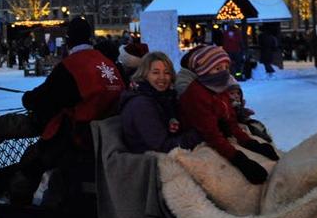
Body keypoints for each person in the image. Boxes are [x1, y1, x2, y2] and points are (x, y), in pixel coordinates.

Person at [0, 17, 124, 204]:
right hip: (104, 131)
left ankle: (18, 202)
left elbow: (43, 99)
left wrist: (28, 98)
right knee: (44, 122)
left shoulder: (71, 66)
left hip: (78, 136)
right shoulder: (107, 63)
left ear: (69, 39)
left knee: (32, 159)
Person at [178, 45, 278, 184]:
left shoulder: (219, 87)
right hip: (196, 141)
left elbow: (230, 119)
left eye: (226, 68)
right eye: (218, 68)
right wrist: (240, 160)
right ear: (204, 71)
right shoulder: (197, 94)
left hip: (219, 134)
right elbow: (211, 134)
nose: (224, 73)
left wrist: (251, 143)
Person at [119, 52, 202, 153]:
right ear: (144, 74)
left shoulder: (166, 98)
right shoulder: (141, 105)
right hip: (149, 161)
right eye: (155, 72)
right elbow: (163, 146)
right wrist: (200, 134)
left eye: (166, 73)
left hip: (168, 152)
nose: (162, 77)